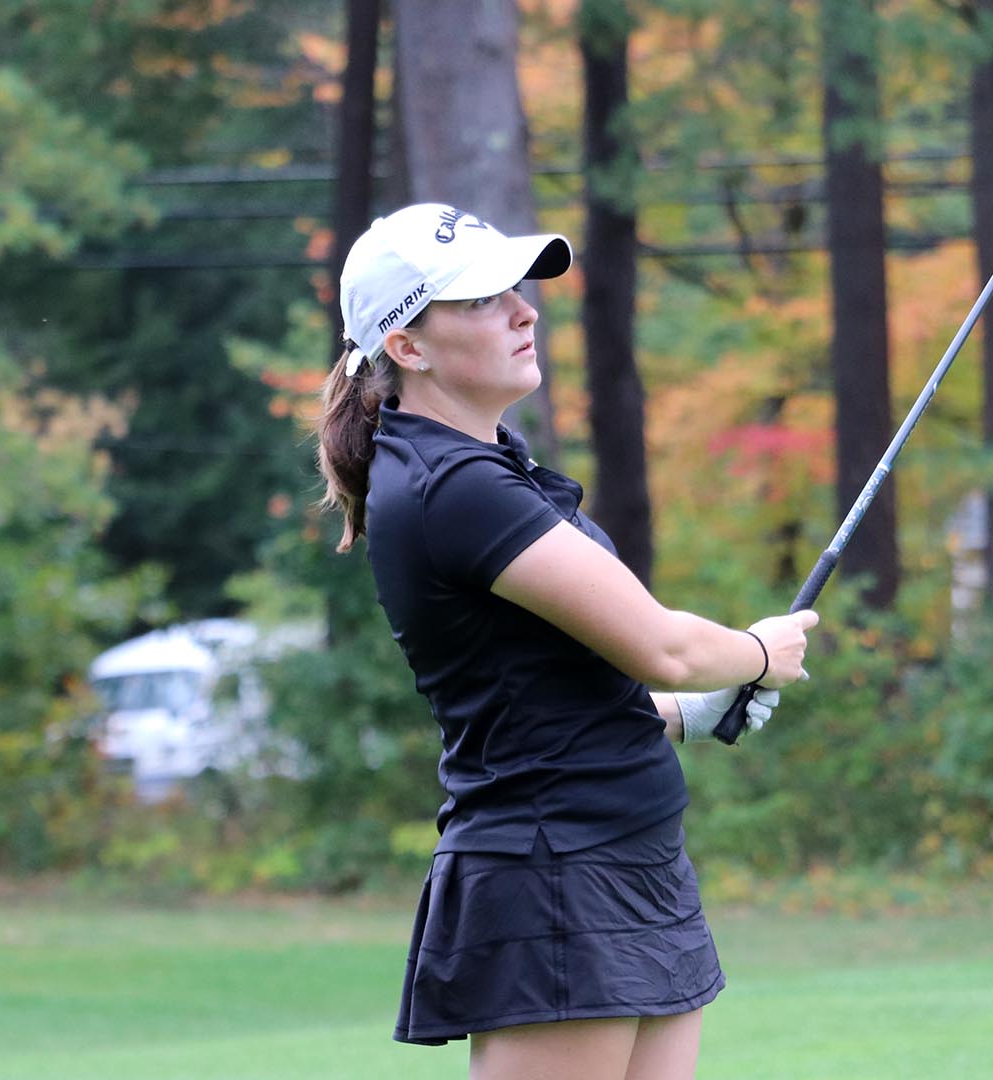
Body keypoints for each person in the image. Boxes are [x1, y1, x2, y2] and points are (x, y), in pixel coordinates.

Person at [312, 203, 818, 1080]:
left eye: (517, 290)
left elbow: (546, 693)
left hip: (625, 856)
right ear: (408, 347)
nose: (523, 311)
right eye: (480, 301)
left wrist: (681, 715)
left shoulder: (489, 466)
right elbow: (667, 646)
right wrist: (762, 651)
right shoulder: (453, 485)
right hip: (555, 874)